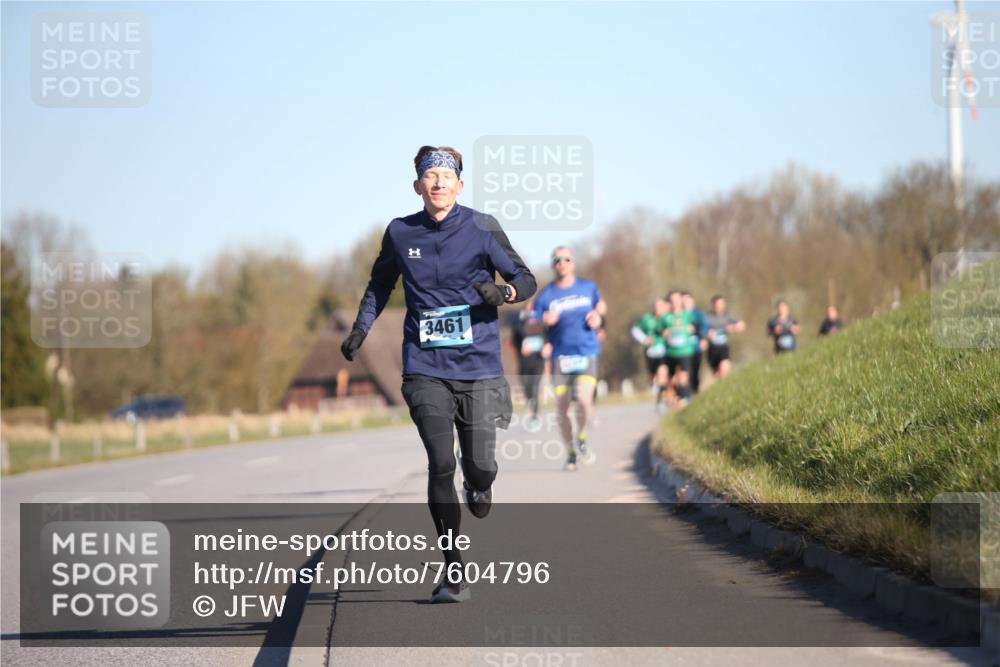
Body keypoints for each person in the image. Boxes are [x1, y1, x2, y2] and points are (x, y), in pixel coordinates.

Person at [341, 145, 536, 603]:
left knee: (480, 469)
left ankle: (480, 483)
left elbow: (526, 279)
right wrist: (359, 329)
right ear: (417, 186)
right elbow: (379, 285)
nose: (438, 183)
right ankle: (452, 570)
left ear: (460, 185)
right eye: (429, 176)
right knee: (440, 463)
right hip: (425, 366)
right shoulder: (399, 231)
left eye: (446, 177)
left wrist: (502, 290)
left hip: (480, 366)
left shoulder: (482, 226)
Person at [530, 246, 606, 472]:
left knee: (583, 400)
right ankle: (571, 451)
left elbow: (601, 304)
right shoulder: (546, 295)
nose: (561, 263)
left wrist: (598, 316)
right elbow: (530, 324)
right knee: (562, 409)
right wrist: (543, 320)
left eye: (566, 259)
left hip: (586, 352)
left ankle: (581, 437)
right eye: (557, 260)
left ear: (573, 263)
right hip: (560, 358)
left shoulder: (587, 287)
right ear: (553, 265)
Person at [509, 299, 546, 429]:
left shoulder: (542, 324)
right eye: (528, 309)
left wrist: (547, 347)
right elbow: (514, 342)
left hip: (538, 361)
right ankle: (530, 402)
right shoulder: (518, 325)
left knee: (535, 386)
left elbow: (548, 338)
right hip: (524, 361)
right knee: (526, 387)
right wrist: (520, 348)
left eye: (533, 309)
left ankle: (535, 416)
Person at [631, 298, 670, 413]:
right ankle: (659, 399)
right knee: (654, 379)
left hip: (664, 352)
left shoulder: (668, 318)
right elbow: (634, 330)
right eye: (656, 306)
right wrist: (644, 339)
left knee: (662, 373)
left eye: (660, 306)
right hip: (650, 352)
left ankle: (661, 400)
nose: (658, 309)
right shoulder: (646, 319)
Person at [661, 290, 695, 406]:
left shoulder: (687, 315)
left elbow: (697, 327)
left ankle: (685, 399)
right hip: (670, 352)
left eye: (677, 300)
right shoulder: (665, 317)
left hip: (684, 351)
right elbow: (658, 332)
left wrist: (693, 329)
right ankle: (676, 398)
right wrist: (663, 333)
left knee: (683, 378)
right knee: (670, 380)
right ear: (669, 303)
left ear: (681, 300)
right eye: (672, 300)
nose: (675, 302)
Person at [705, 294, 745, 380]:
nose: (719, 306)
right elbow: (701, 329)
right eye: (717, 304)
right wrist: (708, 333)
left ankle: (725, 384)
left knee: (724, 368)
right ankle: (720, 386)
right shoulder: (707, 317)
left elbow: (742, 325)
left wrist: (734, 327)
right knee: (716, 374)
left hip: (723, 347)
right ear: (713, 305)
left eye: (721, 304)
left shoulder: (728, 316)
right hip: (712, 348)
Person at [681, 291, 708, 394]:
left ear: (692, 301)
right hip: (682, 348)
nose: (685, 303)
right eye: (683, 301)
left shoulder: (698, 314)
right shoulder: (679, 314)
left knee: (695, 370)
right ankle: (685, 393)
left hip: (696, 347)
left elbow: (704, 327)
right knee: (685, 371)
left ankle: (695, 391)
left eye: (687, 300)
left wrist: (703, 338)